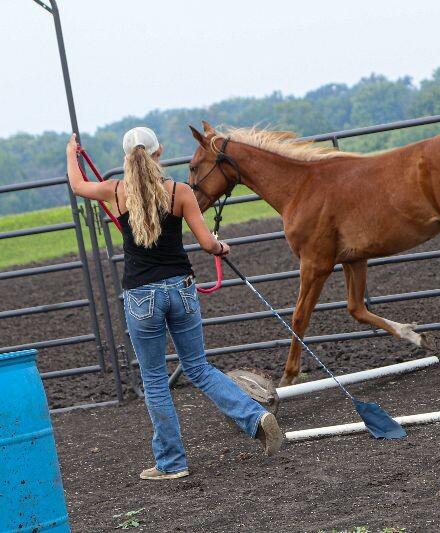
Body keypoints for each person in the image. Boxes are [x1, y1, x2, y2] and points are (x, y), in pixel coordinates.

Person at [66, 127, 283, 480]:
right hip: (181, 289)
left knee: (154, 380)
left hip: (141, 296)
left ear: (126, 158)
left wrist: (70, 152)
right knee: (198, 368)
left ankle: (172, 463)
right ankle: (255, 417)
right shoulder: (180, 192)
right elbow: (206, 243)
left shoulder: (117, 191)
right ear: (159, 151)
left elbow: (78, 186)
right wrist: (220, 247)